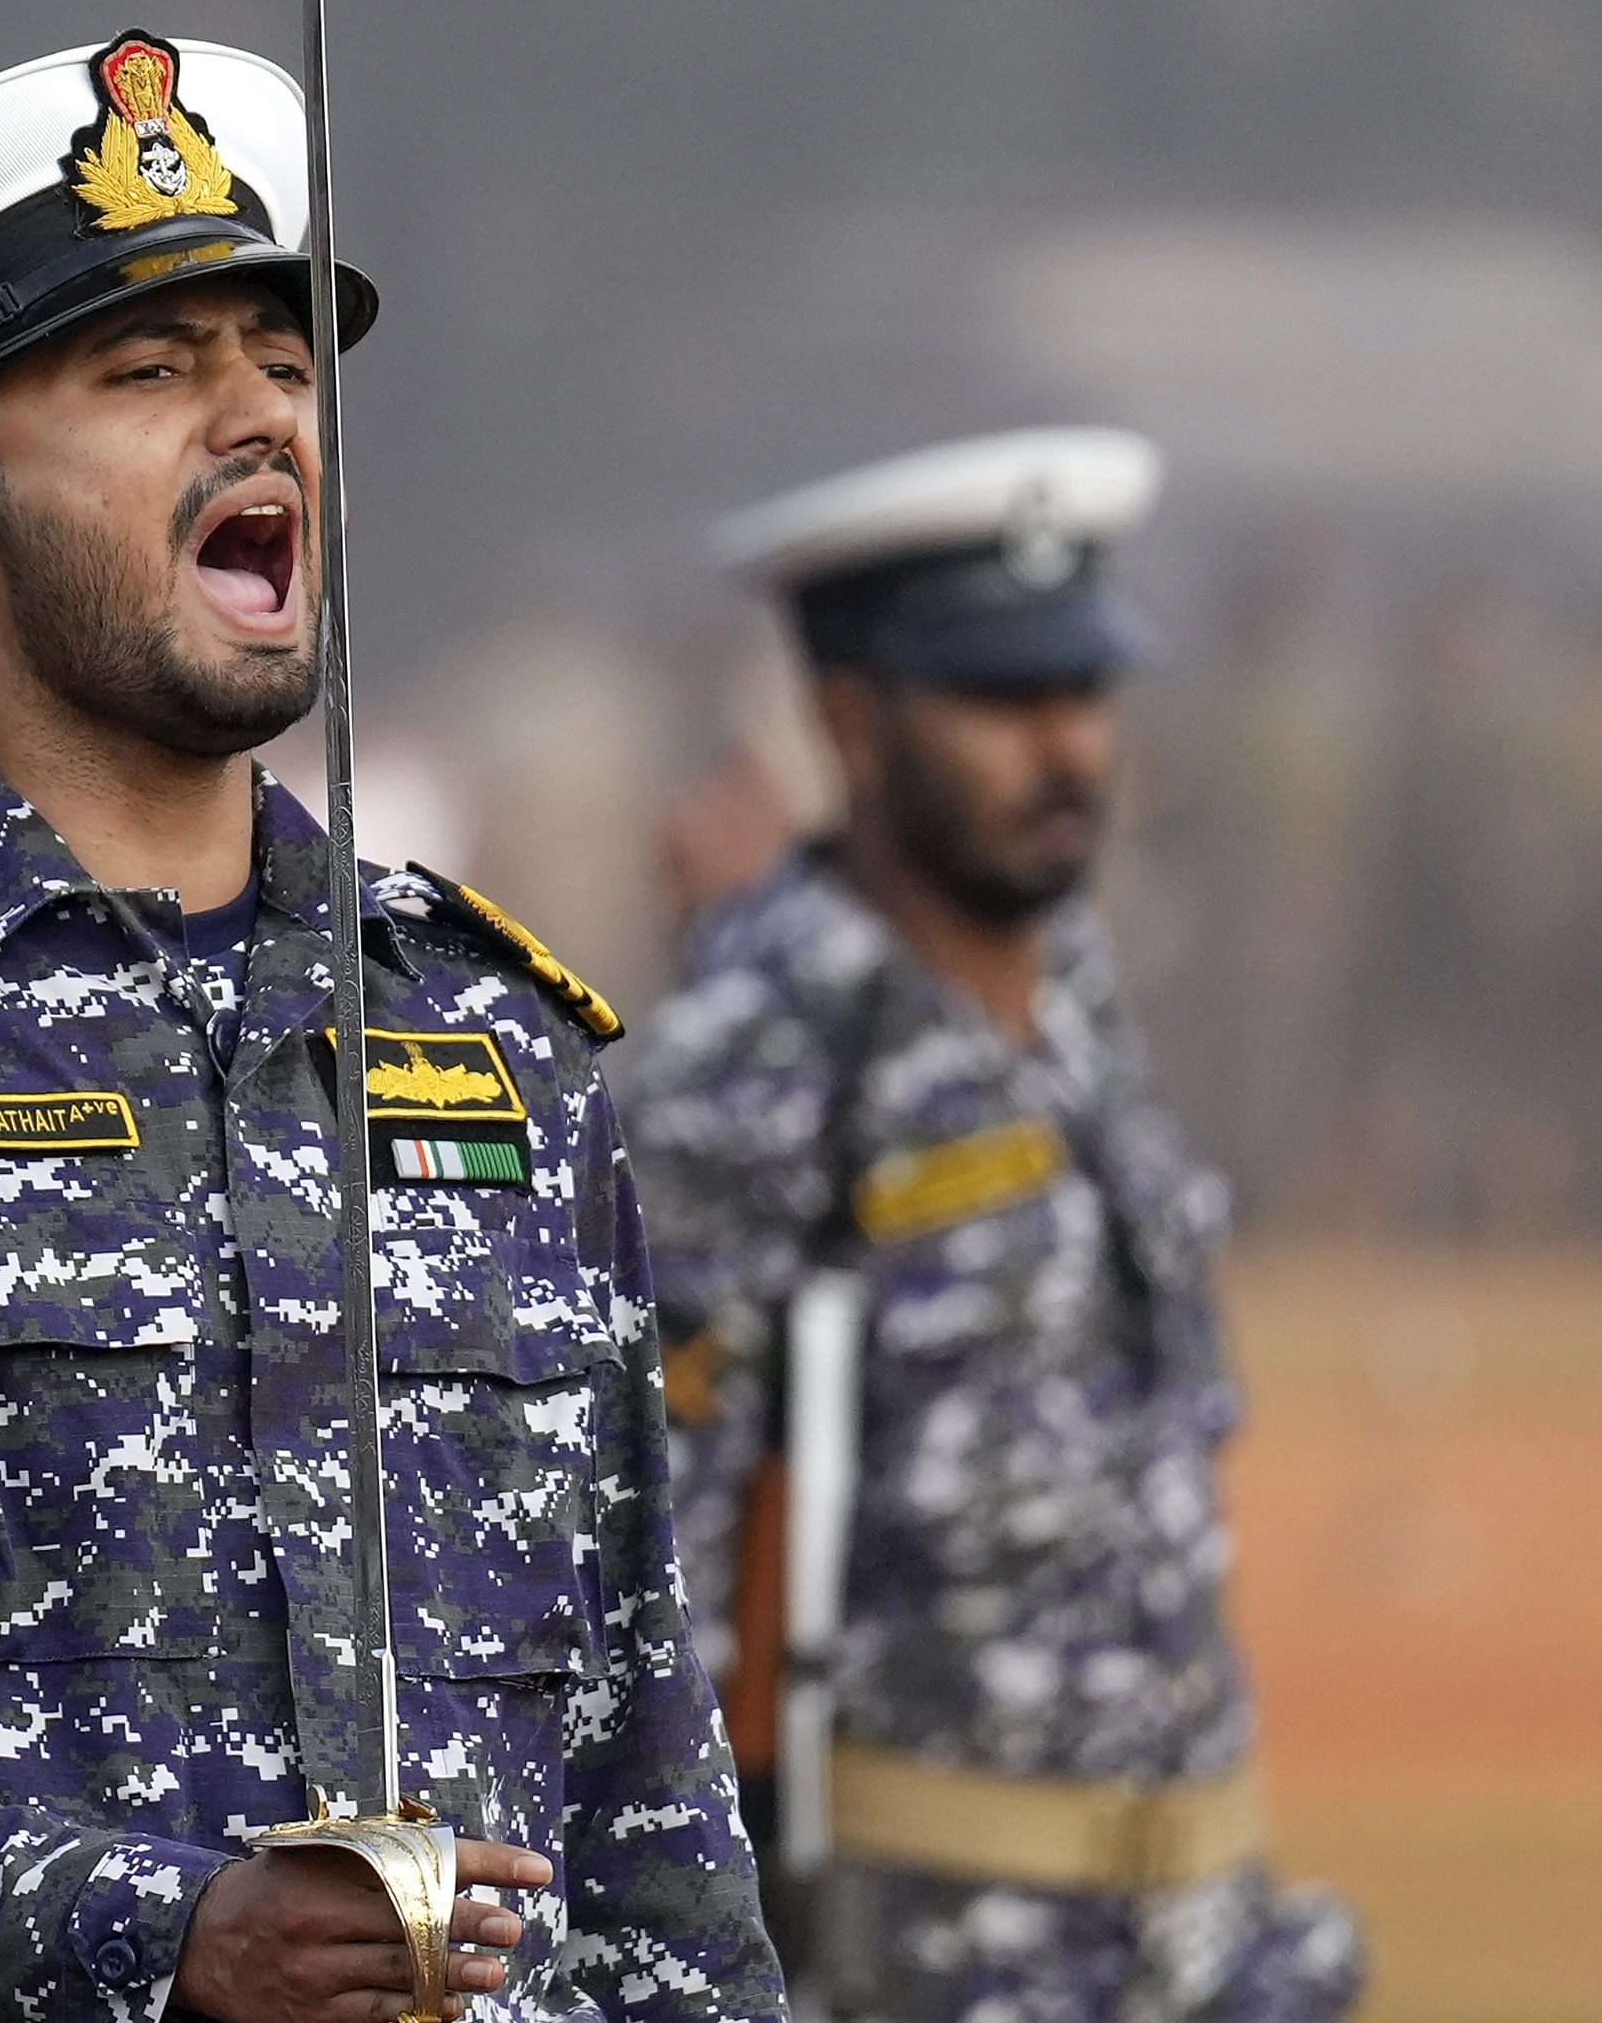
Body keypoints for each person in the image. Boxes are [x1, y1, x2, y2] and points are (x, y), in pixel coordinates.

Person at [0, 30, 781, 2022]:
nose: (259, 421)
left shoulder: (496, 1047)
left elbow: (648, 1764)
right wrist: (170, 1934)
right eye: (150, 373)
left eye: (283, 365)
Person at [634, 428, 1365, 2021]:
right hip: (934, 1964)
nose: (1068, 749)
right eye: (1001, 701)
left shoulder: (1079, 1005)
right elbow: (657, 1610)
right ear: (851, 719)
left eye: (1085, 694)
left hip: (1200, 1944)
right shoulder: (751, 1075)